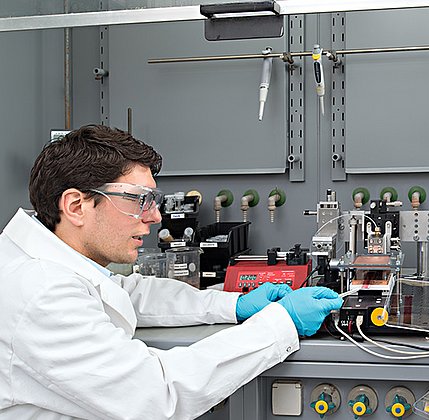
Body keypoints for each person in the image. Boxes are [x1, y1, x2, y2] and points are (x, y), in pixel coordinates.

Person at [0, 124, 343, 419]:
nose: (154, 217)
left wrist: (231, 305)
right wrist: (280, 323)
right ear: (76, 206)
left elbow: (127, 292)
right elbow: (157, 394)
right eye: (138, 200)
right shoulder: (40, 292)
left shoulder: (41, 262)